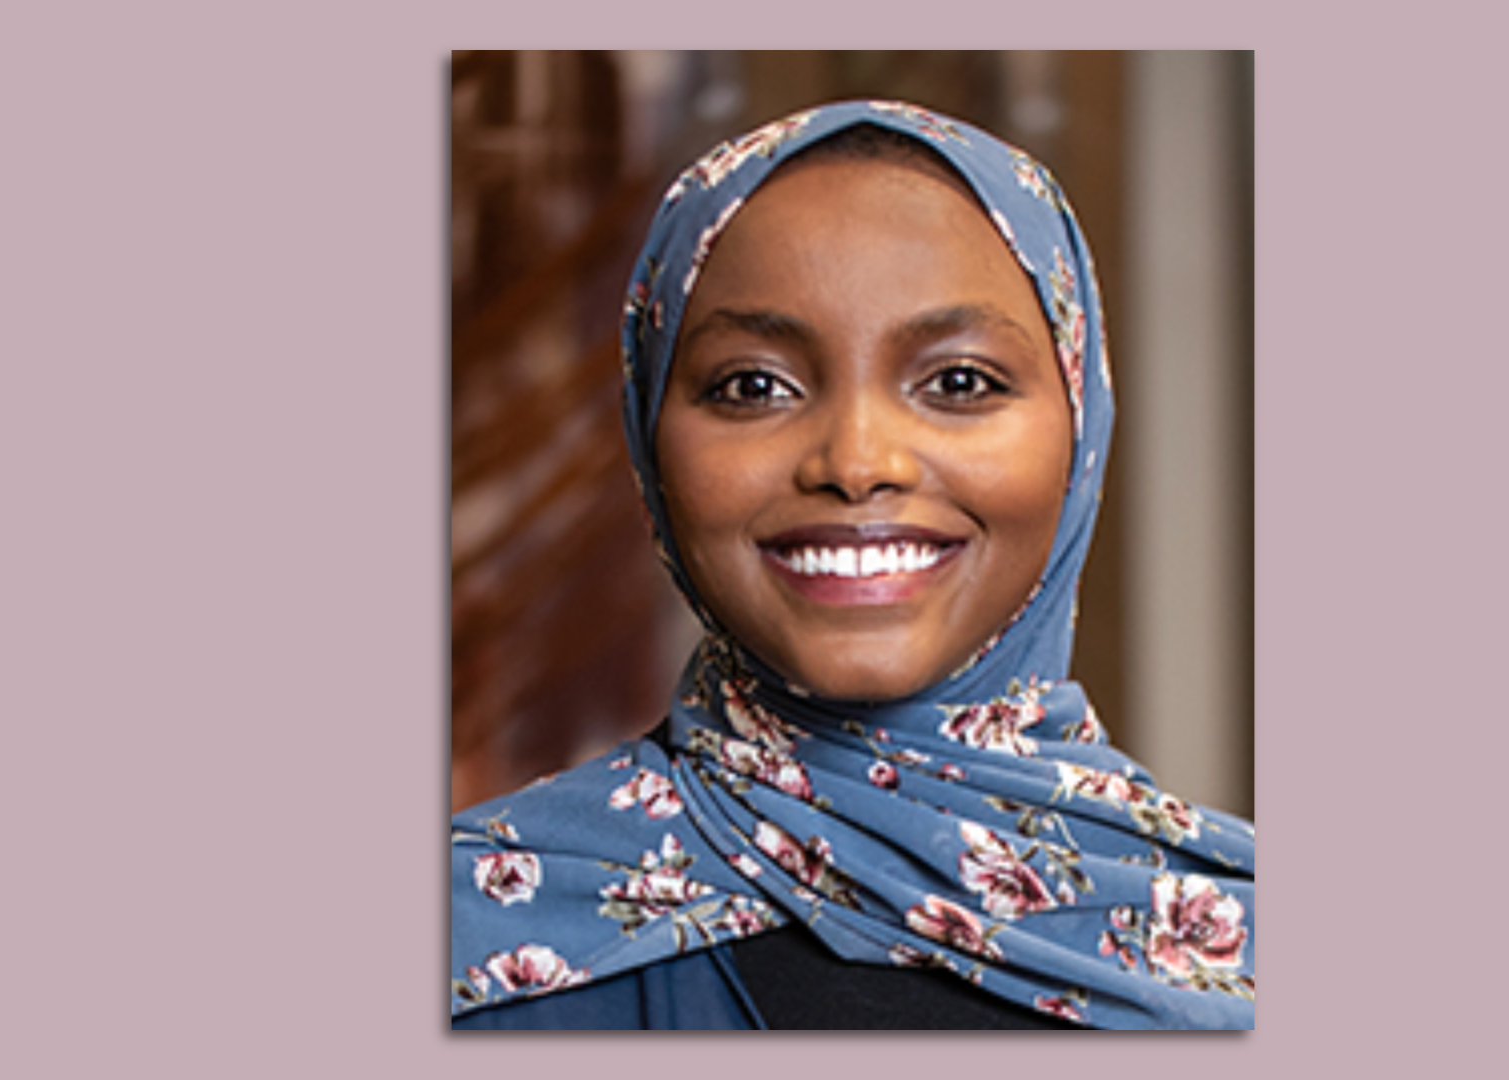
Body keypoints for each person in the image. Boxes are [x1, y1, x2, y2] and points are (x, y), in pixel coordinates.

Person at [450, 100, 1254, 1030]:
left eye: (958, 382)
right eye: (753, 386)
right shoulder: (467, 939)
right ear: (648, 436)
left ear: (1080, 429)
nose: (858, 460)